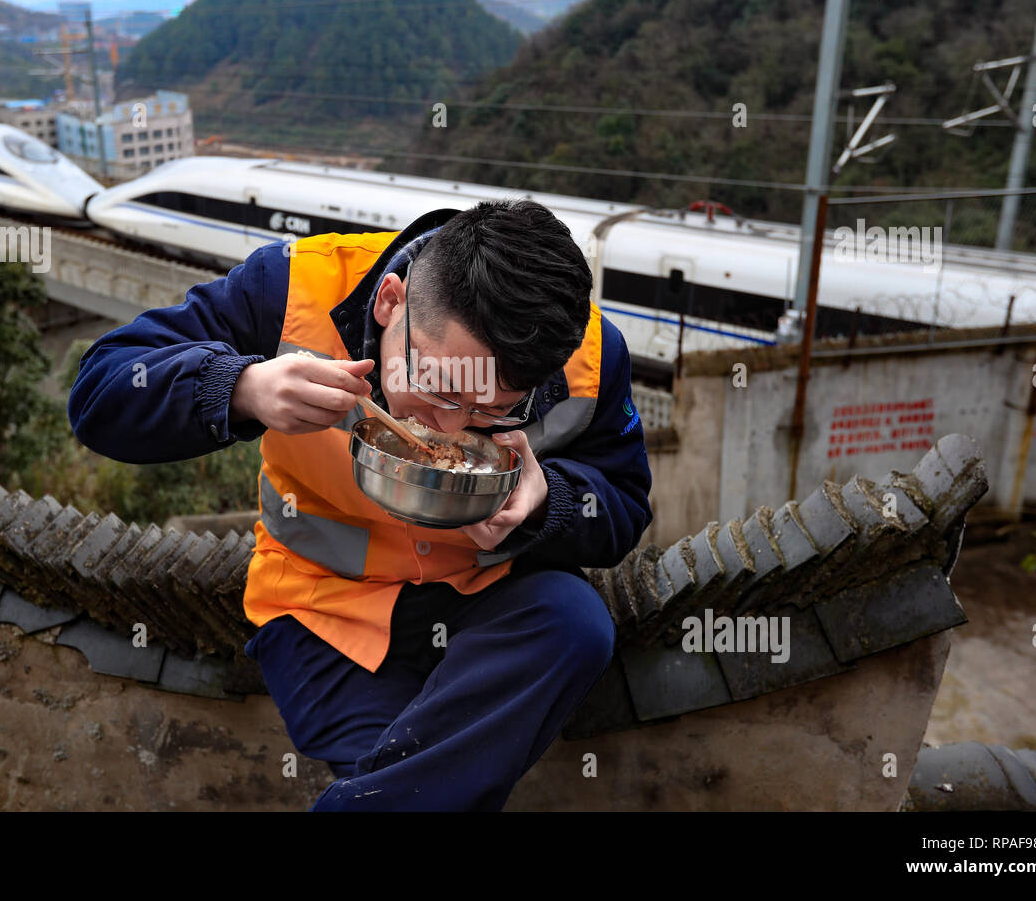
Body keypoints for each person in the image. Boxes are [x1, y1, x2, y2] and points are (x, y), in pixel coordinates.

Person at [68, 198, 653, 810]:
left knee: (576, 621)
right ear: (390, 301)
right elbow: (100, 392)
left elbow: (623, 505)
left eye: (493, 409)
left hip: (488, 605)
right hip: (324, 614)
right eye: (435, 385)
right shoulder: (290, 287)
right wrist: (240, 388)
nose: (452, 425)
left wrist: (547, 503)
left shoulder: (589, 354)